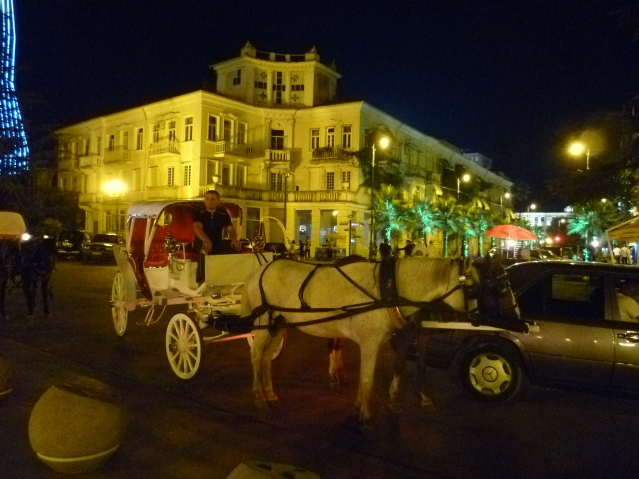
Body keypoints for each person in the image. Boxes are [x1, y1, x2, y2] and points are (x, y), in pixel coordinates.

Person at [193, 190, 242, 282]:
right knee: (204, 249)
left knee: (234, 247)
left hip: (217, 241)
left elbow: (230, 229)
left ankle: (229, 278)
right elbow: (197, 227)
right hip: (202, 241)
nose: (209, 201)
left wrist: (234, 240)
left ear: (217, 201)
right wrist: (206, 239)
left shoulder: (223, 214)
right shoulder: (199, 213)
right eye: (207, 199)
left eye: (212, 199)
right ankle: (202, 280)